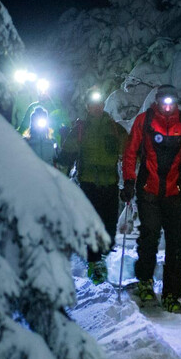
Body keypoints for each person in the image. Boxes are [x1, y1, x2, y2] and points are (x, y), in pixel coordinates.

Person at [121, 85, 181, 313]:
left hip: (174, 191)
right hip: (148, 190)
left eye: (171, 102)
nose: (167, 106)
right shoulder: (144, 121)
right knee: (149, 235)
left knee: (176, 243)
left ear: (176, 103)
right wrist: (129, 181)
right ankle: (146, 282)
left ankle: (171, 293)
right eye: (163, 102)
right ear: (157, 102)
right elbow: (130, 152)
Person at [57, 91, 129, 284]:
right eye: (92, 104)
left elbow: (130, 152)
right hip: (89, 184)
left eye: (99, 104)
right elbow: (67, 154)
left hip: (110, 184)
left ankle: (103, 258)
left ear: (103, 106)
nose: (96, 108)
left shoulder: (114, 129)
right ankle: (94, 263)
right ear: (87, 107)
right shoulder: (81, 128)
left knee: (109, 225)